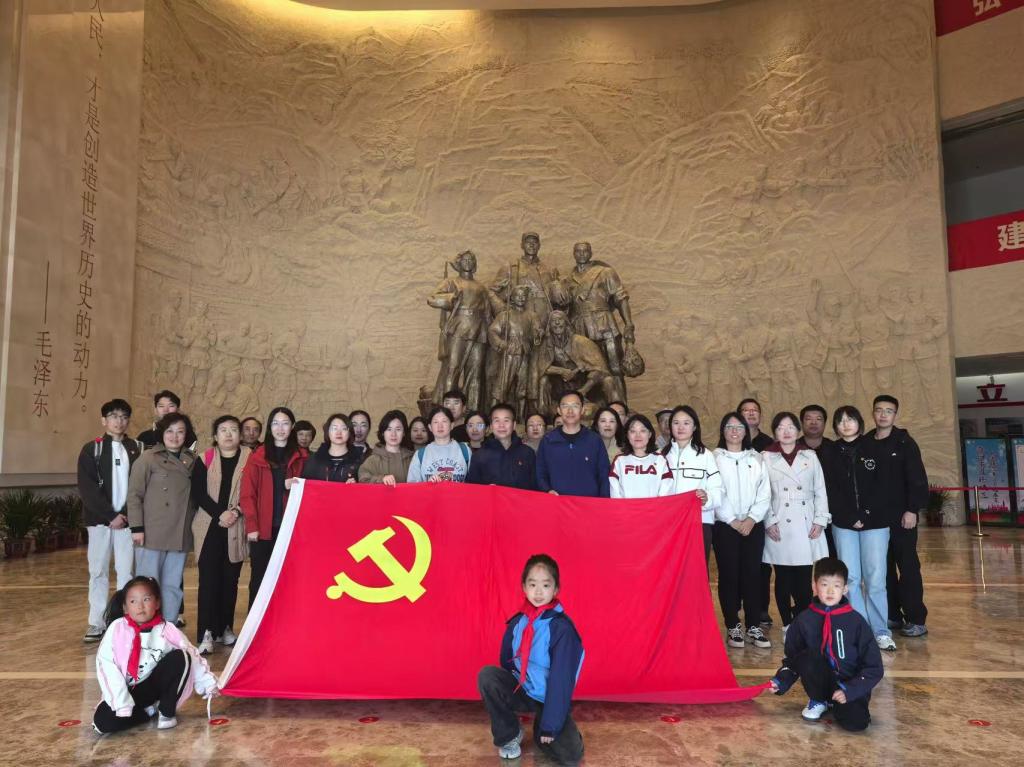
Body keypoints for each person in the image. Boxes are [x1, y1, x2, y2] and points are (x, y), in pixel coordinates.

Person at [477, 554, 584, 764]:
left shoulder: (561, 629)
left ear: (556, 589)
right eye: (532, 584)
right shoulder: (518, 622)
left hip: (549, 696)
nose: (538, 592)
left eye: (546, 585)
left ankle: (544, 724)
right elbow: (506, 661)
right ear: (524, 588)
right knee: (488, 676)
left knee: (570, 757)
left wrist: (550, 725)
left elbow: (561, 680)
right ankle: (510, 734)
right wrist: (513, 690)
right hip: (525, 690)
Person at [769, 557, 883, 731]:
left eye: (836, 585)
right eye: (824, 585)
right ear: (814, 587)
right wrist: (781, 681)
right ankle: (819, 699)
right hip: (819, 682)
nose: (830, 591)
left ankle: (841, 704)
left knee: (856, 723)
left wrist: (851, 690)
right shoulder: (803, 620)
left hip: (849, 684)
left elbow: (874, 667)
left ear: (845, 589)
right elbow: (793, 659)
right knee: (807, 656)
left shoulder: (856, 622)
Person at [93, 576, 218, 733]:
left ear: (157, 603)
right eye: (133, 601)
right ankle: (148, 711)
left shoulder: (167, 629)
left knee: (182, 657)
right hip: (128, 690)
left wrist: (207, 683)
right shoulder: (117, 628)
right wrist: (122, 702)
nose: (140, 606)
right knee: (102, 722)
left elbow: (192, 655)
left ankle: (165, 710)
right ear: (125, 607)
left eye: (146, 599)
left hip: (153, 686)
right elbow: (106, 665)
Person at [822, 405, 895, 651]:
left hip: (875, 522)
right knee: (850, 578)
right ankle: (860, 630)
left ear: (859, 423)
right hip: (844, 523)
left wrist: (865, 513)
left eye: (850, 419)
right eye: (840, 420)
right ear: (835, 426)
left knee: (875, 578)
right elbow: (829, 489)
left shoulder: (875, 447)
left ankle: (881, 631)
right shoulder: (829, 452)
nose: (846, 424)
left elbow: (884, 485)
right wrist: (849, 515)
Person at [78, 399, 144, 642]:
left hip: (127, 522)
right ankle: (97, 622)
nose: (119, 421)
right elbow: (87, 488)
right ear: (104, 420)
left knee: (126, 572)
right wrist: (110, 515)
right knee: (98, 571)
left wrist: (124, 515)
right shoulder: (91, 449)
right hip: (99, 522)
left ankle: (125, 620)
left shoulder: (137, 448)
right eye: (114, 416)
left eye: (124, 417)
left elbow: (141, 486)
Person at [864, 395, 929, 638]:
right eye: (879, 410)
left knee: (908, 566)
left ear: (895, 415)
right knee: (882, 568)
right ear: (873, 413)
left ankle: (915, 618)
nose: (883, 415)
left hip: (902, 518)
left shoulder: (905, 443)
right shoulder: (865, 443)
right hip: (875, 519)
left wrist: (912, 509)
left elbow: (917, 478)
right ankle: (892, 614)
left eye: (888, 411)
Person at [127, 413, 198, 632]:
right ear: (161, 433)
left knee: (172, 584)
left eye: (180, 432)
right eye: (170, 431)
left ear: (186, 435)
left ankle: (168, 628)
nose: (174, 436)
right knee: (148, 585)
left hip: (180, 531)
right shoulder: (148, 458)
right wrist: (137, 528)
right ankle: (145, 628)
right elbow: (134, 495)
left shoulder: (192, 460)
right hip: (152, 532)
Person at [762, 412, 830, 635]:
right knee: (782, 578)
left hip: (806, 520)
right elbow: (762, 493)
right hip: (779, 521)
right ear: (774, 432)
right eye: (781, 427)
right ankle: (787, 623)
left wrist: (820, 519)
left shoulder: (809, 456)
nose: (786, 431)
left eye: (791, 427)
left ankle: (802, 621)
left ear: (798, 431)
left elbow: (820, 489)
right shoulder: (765, 457)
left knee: (804, 578)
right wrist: (769, 521)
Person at [190, 416, 251, 654]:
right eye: (223, 430)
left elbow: (253, 492)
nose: (228, 434)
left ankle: (225, 628)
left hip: (236, 526)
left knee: (230, 581)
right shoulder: (204, 459)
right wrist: (220, 513)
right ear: (215, 436)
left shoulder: (250, 459)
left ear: (240, 435)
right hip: (209, 527)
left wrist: (235, 512)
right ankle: (206, 632)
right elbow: (198, 493)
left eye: (233, 430)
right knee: (208, 582)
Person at [712, 412, 771, 649]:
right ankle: (732, 625)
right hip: (725, 526)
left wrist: (752, 519)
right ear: (722, 431)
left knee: (753, 575)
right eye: (729, 426)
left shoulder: (756, 458)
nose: (734, 431)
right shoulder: (714, 458)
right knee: (729, 575)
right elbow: (714, 491)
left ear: (746, 431)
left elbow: (764, 492)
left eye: (739, 427)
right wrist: (731, 520)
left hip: (752, 526)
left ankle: (753, 626)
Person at [241, 407, 308, 608]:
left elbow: (312, 489)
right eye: (276, 423)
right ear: (270, 427)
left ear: (292, 426)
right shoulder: (257, 456)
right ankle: (257, 623)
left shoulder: (302, 456)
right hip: (263, 529)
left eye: (285, 423)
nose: (280, 428)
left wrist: (296, 485)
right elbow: (247, 494)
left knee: (289, 578)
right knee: (260, 578)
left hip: (290, 529)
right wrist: (252, 526)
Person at [662, 405, 723, 561]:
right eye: (676, 423)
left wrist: (707, 499)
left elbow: (718, 489)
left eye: (686, 423)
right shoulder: (660, 456)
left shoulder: (706, 455)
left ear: (695, 427)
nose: (681, 427)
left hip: (699, 523)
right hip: (668, 524)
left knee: (697, 569)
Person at [536, 391, 610, 498]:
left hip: (589, 504)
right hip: (558, 504)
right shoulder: (548, 440)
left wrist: (603, 501)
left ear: (582, 410)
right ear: (559, 410)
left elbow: (604, 475)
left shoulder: (594, 440)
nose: (570, 411)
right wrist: (547, 490)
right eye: (565, 406)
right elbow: (540, 473)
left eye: (575, 406)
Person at [466, 403, 537, 490]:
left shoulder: (527, 453)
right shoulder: (479, 456)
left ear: (514, 425)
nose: (501, 425)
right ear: (491, 426)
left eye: (506, 420)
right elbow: (472, 489)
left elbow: (535, 488)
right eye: (497, 421)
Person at [609, 414, 672, 499]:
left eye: (642, 431)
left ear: (650, 434)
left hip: (655, 507)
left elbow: (666, 489)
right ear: (627, 435)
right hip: (625, 507)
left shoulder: (660, 460)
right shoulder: (619, 460)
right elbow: (615, 492)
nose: (638, 435)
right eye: (633, 431)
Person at [407, 406, 472, 483]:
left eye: (444, 421)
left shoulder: (465, 450)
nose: (440, 426)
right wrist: (427, 485)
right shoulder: (420, 454)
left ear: (452, 425)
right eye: (435, 422)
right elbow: (412, 486)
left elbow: (474, 482)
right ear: (430, 427)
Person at [359, 410, 415, 486]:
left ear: (404, 433)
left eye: (398, 429)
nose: (393, 434)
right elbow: (362, 480)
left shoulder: (413, 459)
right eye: (389, 429)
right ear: (383, 433)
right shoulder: (373, 460)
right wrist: (381, 479)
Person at [303, 414, 363, 483]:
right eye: (334, 428)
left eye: (344, 428)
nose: (338, 432)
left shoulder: (359, 460)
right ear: (327, 432)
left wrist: (356, 485)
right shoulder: (315, 460)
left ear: (350, 432)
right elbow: (306, 485)